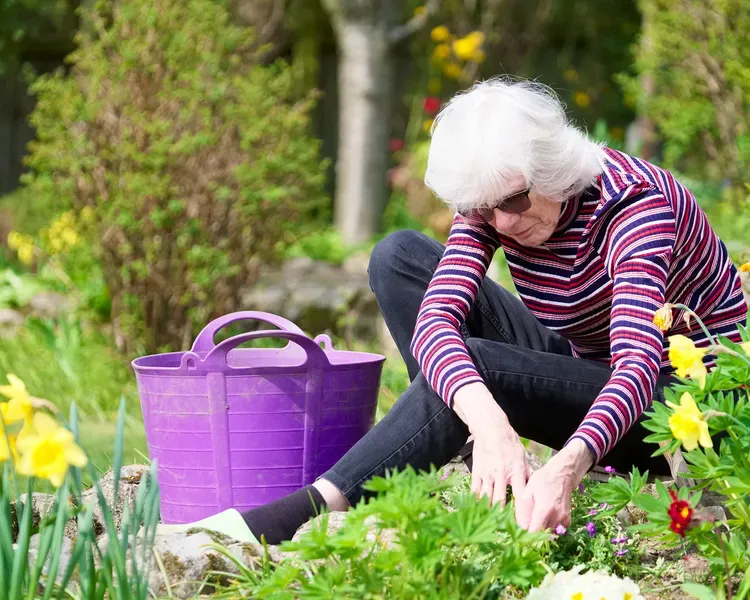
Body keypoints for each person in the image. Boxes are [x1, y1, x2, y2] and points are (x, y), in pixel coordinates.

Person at [158, 77, 748, 545]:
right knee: (398, 257)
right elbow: (436, 321)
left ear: (552, 169)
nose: (505, 223)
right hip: (581, 363)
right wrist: (489, 424)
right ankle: (468, 447)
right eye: (484, 210)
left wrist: (565, 470)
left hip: (679, 410)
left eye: (515, 201)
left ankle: (297, 515)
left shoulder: (635, 207)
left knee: (482, 365)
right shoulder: (495, 198)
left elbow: (638, 365)